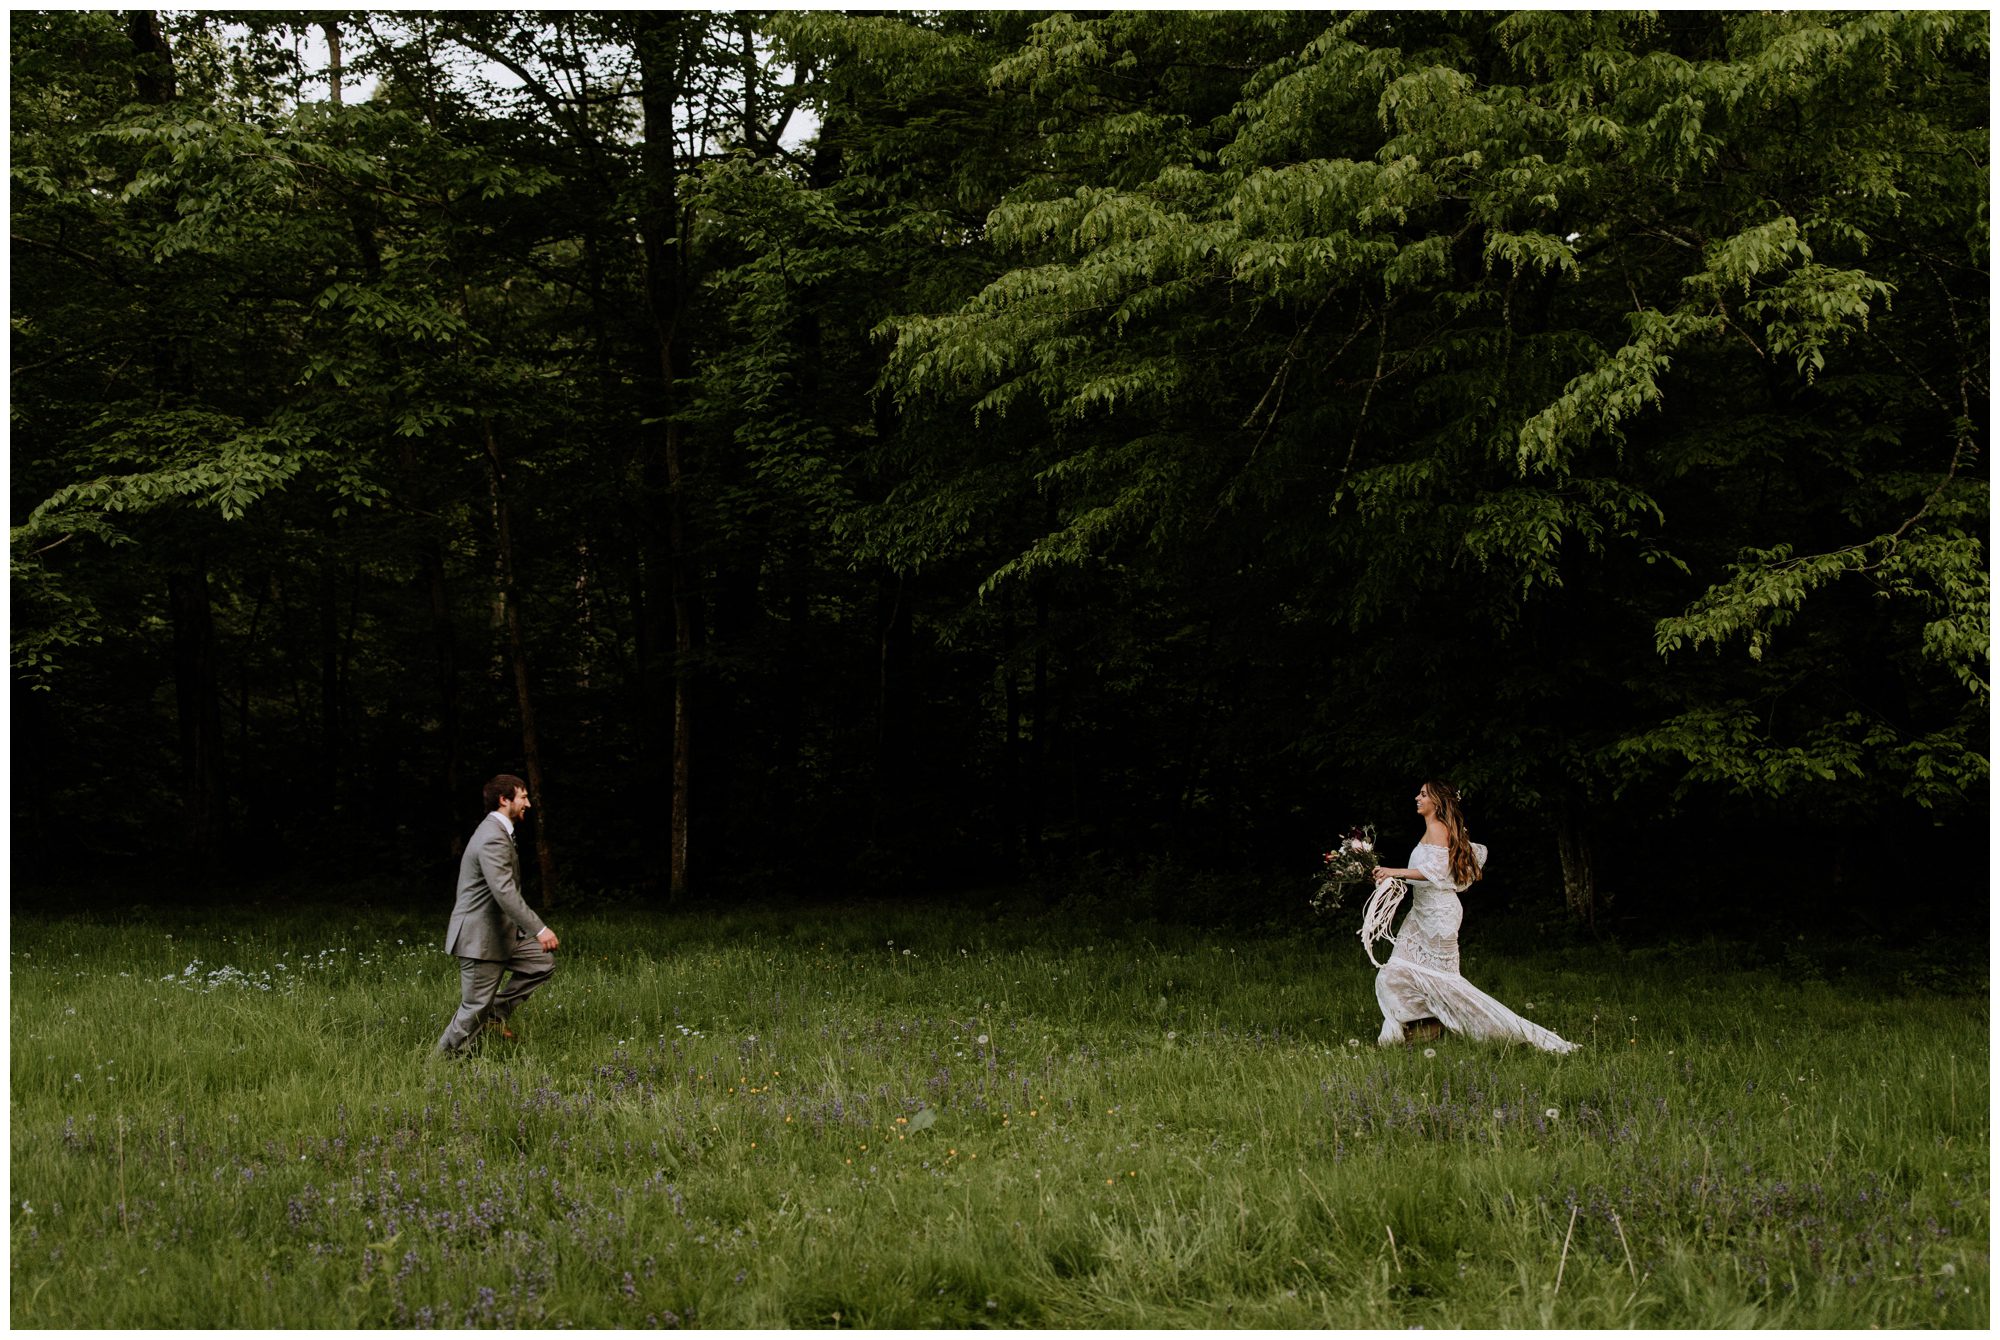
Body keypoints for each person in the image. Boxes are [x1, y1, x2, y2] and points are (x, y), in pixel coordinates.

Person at [1367, 780, 1575, 1053]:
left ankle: (1502, 1032)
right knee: (1395, 974)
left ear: (1437, 802)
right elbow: (1428, 873)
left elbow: (1438, 872)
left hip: (1438, 915)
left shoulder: (1438, 828)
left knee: (1443, 982)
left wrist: (1394, 871)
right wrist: (1388, 878)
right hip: (1421, 914)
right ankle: (1421, 1028)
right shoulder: (1434, 829)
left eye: (1423, 794)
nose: (1416, 797)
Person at [433, 774, 560, 1056]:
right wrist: (539, 929)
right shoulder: (492, 837)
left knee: (541, 963)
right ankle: (438, 1064)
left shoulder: (500, 832)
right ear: (505, 800)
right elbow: (504, 892)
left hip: (502, 933)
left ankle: (496, 1013)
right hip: (480, 938)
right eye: (523, 797)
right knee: (474, 1006)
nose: (528, 803)